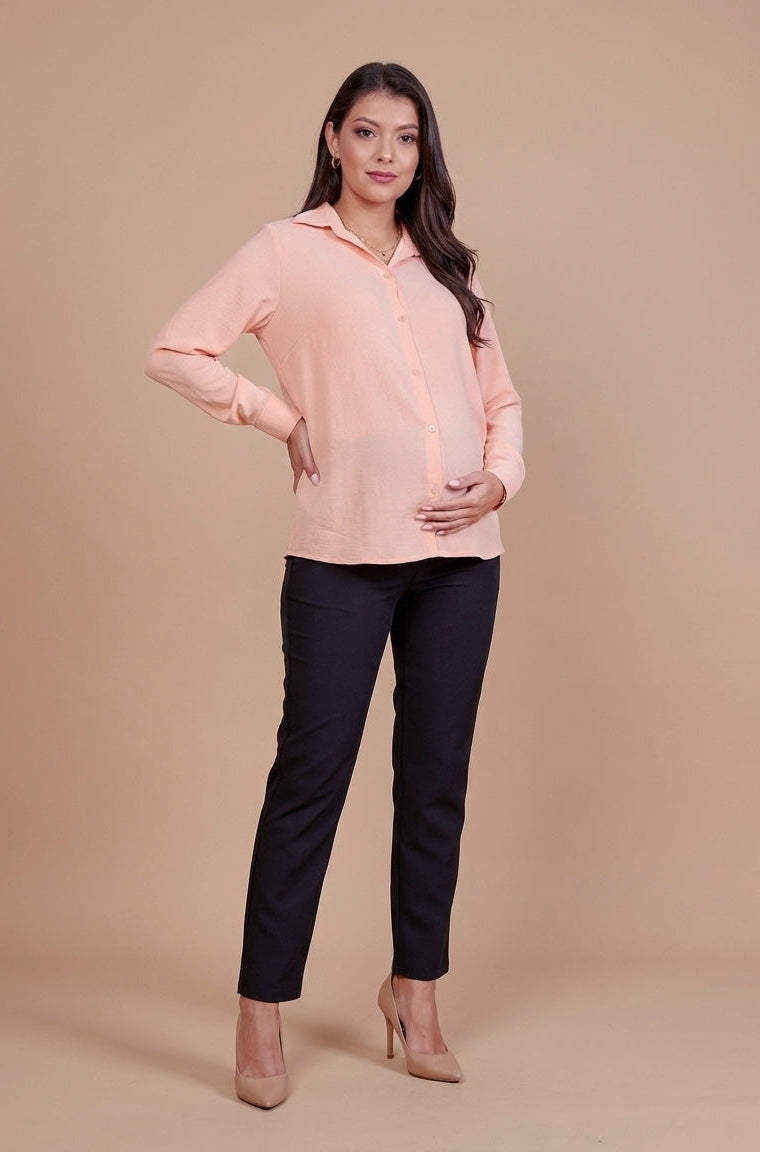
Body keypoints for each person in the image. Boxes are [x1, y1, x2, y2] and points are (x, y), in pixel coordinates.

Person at [143, 60, 526, 1110]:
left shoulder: (447, 265)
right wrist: (278, 417)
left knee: (435, 781)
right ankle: (260, 1007)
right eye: (367, 132)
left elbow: (501, 400)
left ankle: (416, 992)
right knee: (309, 779)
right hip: (340, 557)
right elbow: (175, 350)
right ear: (333, 139)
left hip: (462, 563)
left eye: (405, 137)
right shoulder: (285, 251)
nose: (386, 154)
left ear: (422, 150)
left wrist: (499, 478)